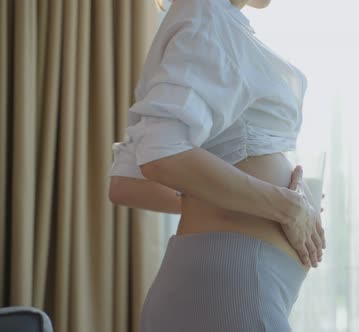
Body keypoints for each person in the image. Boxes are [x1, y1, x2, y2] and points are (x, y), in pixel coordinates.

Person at [107, 0, 326, 330]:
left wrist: (235, 198)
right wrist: (286, 208)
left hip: (218, 285)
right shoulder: (205, 15)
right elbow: (161, 155)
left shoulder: (205, 18)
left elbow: (126, 184)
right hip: (234, 291)